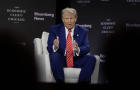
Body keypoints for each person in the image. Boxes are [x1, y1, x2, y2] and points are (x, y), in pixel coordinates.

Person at [47, 7, 96, 83]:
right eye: (66, 19)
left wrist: (78, 49)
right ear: (63, 19)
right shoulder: (54, 29)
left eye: (71, 18)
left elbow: (87, 47)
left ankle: (83, 82)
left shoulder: (83, 31)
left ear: (75, 19)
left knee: (91, 58)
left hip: (76, 59)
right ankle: (60, 81)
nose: (69, 21)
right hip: (61, 59)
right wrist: (55, 47)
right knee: (54, 55)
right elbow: (49, 47)